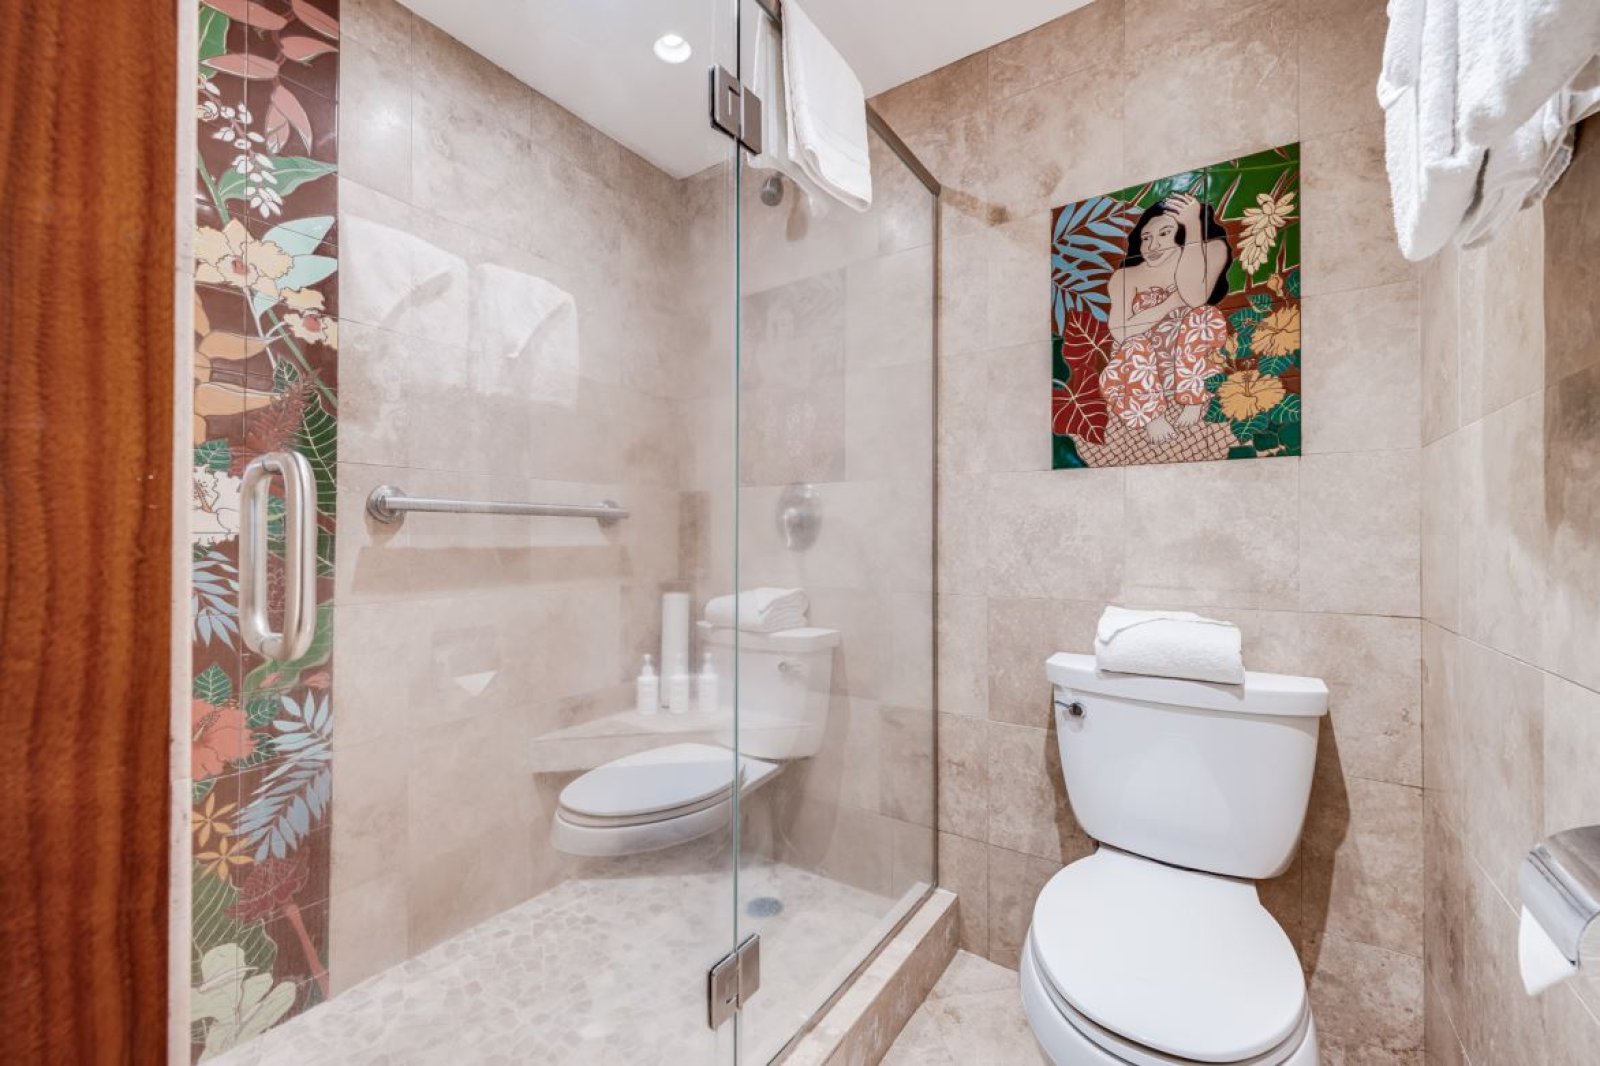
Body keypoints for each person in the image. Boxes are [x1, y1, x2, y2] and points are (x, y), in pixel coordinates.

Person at [1099, 192, 1234, 443]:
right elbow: (1120, 331)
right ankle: (1153, 418)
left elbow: (1195, 298)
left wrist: (1192, 224)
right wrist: (1171, 302)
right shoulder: (1125, 276)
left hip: (1188, 366)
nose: (1152, 246)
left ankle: (1194, 398)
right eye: (1146, 237)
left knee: (1204, 316)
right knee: (1134, 344)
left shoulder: (1212, 250)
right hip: (1137, 374)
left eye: (1164, 233)